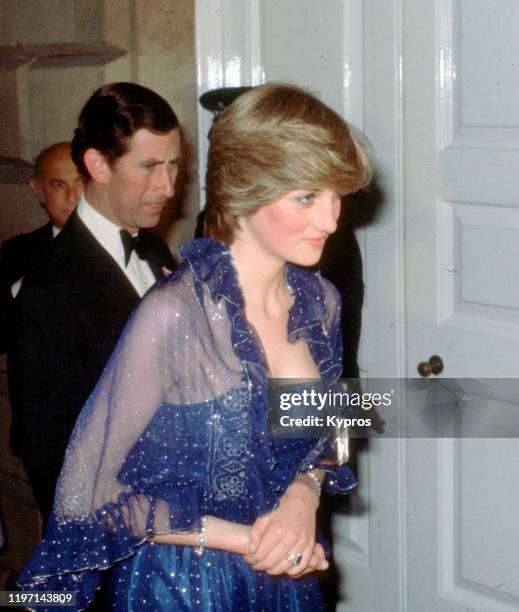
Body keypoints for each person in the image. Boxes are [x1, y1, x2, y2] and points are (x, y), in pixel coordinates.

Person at [18, 83, 372, 610]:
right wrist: (251, 540)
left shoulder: (321, 301)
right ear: (247, 189)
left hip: (287, 580)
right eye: (307, 197)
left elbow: (333, 428)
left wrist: (305, 494)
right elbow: (85, 497)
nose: (332, 219)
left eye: (336, 195)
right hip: (186, 587)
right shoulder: (174, 313)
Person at [8, 82, 179, 528]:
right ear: (98, 165)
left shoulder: (156, 250)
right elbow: (54, 465)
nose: (167, 187)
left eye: (174, 166)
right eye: (150, 167)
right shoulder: (48, 290)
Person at [0, 142, 84, 353]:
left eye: (81, 182)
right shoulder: (18, 252)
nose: (72, 196)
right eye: (59, 185)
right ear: (38, 190)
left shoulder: (132, 244)